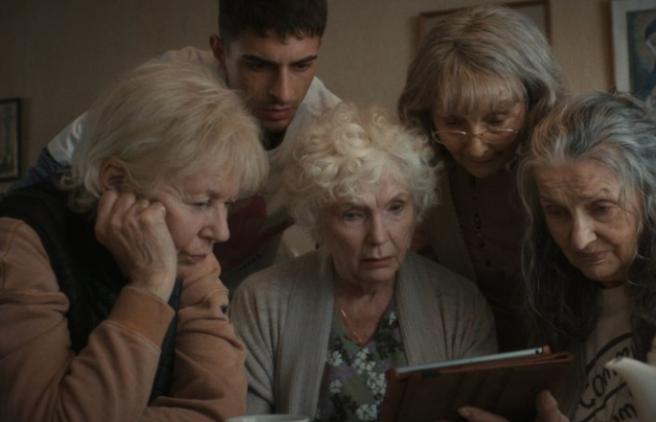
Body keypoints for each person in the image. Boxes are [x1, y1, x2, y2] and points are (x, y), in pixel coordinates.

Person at [0, 59, 269, 421]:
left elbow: (220, 410)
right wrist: (150, 285)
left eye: (226, 204)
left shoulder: (189, 253)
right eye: (201, 203)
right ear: (115, 182)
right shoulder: (19, 243)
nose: (222, 232)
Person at [10, 0, 340, 290]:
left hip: (234, 299)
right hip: (136, 284)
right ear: (220, 50)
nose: (283, 92)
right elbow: (31, 202)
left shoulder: (332, 127)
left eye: (302, 65)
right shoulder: (167, 90)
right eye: (258, 65)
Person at [460, 92, 656, 422]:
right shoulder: (557, 282)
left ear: (655, 194)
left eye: (601, 208)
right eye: (557, 212)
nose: (579, 239)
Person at [230, 104, 497, 421]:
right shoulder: (263, 302)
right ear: (318, 219)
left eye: (395, 208)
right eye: (353, 214)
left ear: (416, 207)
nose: (379, 237)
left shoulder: (459, 307)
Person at [397, 4, 565, 351]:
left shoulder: (568, 170)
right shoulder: (422, 179)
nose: (475, 147)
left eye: (497, 120)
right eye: (453, 122)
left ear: (535, 101)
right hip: (472, 361)